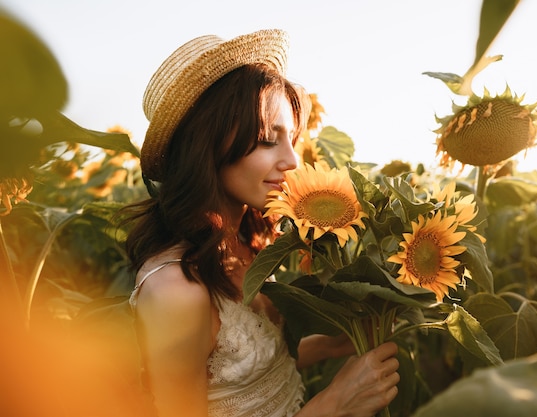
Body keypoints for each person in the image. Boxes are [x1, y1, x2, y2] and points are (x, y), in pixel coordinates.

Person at [121, 29, 400, 417]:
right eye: (270, 139)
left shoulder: (240, 241)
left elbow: (250, 370)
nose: (293, 161)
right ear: (209, 145)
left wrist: (337, 342)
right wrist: (335, 403)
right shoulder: (175, 292)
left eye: (292, 139)